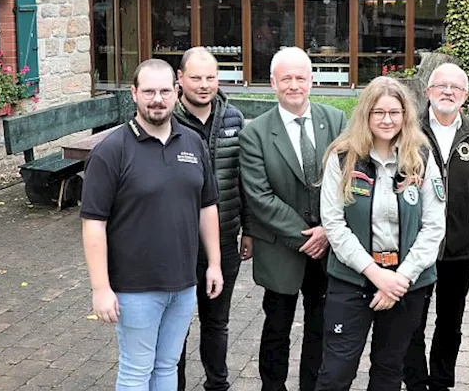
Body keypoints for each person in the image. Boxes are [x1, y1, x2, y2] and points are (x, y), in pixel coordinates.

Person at [81, 58, 224, 391]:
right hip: (135, 289)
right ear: (133, 94)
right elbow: (93, 224)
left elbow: (207, 206)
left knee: (167, 367)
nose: (156, 99)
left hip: (184, 284)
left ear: (175, 93)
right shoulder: (111, 151)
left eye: (163, 91)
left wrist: (214, 264)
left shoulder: (192, 143)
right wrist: (101, 288)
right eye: (148, 92)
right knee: (136, 370)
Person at [317, 76, 446, 391]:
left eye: (394, 112)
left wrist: (399, 280)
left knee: (389, 371)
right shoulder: (342, 157)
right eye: (378, 112)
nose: (387, 120)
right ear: (365, 114)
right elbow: (334, 224)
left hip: (406, 284)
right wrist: (377, 275)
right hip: (352, 279)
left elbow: (434, 226)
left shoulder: (422, 157)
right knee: (335, 374)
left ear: (406, 115)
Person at [239, 47, 347, 391]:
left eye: (301, 77)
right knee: (277, 327)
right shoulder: (254, 132)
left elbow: (348, 182)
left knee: (321, 326)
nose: (294, 85)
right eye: (286, 78)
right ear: (273, 83)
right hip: (282, 248)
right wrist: (308, 236)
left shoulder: (335, 121)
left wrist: (328, 231)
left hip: (329, 248)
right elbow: (260, 197)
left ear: (311, 80)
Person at [403, 63, 469, 391]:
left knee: (450, 322)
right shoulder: (409, 130)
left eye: (456, 87)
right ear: (427, 91)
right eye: (441, 86)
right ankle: (414, 381)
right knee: (412, 320)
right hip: (415, 247)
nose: (448, 92)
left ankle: (440, 381)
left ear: (465, 96)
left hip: (459, 247)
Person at [174, 48, 249, 391]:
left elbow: (243, 177)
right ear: (180, 79)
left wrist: (248, 228)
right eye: (196, 78)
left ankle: (217, 385)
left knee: (216, 322)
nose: (204, 86)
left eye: (210, 78)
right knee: (177, 326)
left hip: (224, 239)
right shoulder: (168, 120)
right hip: (178, 244)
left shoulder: (233, 117)